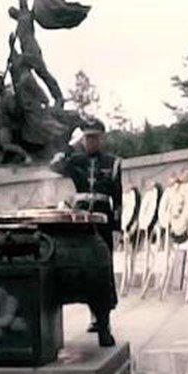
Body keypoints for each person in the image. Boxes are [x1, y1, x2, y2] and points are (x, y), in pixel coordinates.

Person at [55, 120, 122, 346]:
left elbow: (118, 198)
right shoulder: (75, 161)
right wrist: (70, 146)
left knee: (103, 269)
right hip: (81, 219)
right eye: (87, 137)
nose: (91, 141)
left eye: (95, 137)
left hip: (102, 219)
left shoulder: (113, 163)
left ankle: (104, 322)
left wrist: (117, 228)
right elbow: (54, 165)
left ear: (102, 138)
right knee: (80, 266)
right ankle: (93, 315)